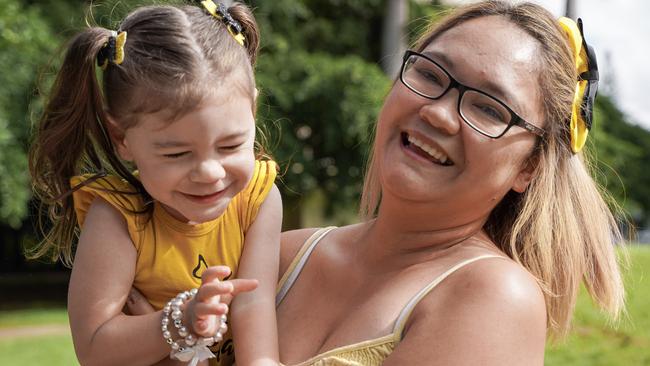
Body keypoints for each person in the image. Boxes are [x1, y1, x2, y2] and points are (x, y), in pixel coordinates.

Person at [274, 1, 625, 365]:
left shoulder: (495, 299)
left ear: (530, 166)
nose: (438, 114)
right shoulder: (283, 255)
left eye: (489, 108)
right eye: (430, 74)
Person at [28, 1, 282, 365]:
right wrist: (179, 320)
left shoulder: (258, 196)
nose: (210, 172)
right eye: (177, 154)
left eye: (230, 145)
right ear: (122, 138)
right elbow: (94, 348)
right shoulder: (118, 216)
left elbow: (254, 304)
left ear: (253, 113)